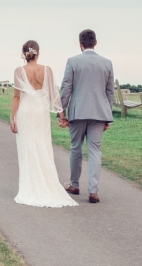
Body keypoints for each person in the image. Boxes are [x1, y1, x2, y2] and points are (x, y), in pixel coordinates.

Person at [10, 41, 78, 208]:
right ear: (38, 53)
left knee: (27, 146)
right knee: (42, 145)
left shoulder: (19, 71)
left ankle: (31, 185)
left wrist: (12, 118)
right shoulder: (47, 70)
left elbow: (17, 97)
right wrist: (61, 116)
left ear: (24, 54)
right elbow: (54, 94)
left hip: (25, 112)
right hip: (41, 112)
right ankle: (46, 184)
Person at [58, 29, 114, 203]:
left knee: (76, 148)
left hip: (78, 112)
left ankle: (74, 185)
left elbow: (66, 88)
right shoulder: (107, 63)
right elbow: (109, 92)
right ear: (95, 43)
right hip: (99, 113)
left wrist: (61, 112)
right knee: (95, 151)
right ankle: (93, 191)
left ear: (80, 44)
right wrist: (108, 116)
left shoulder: (73, 61)